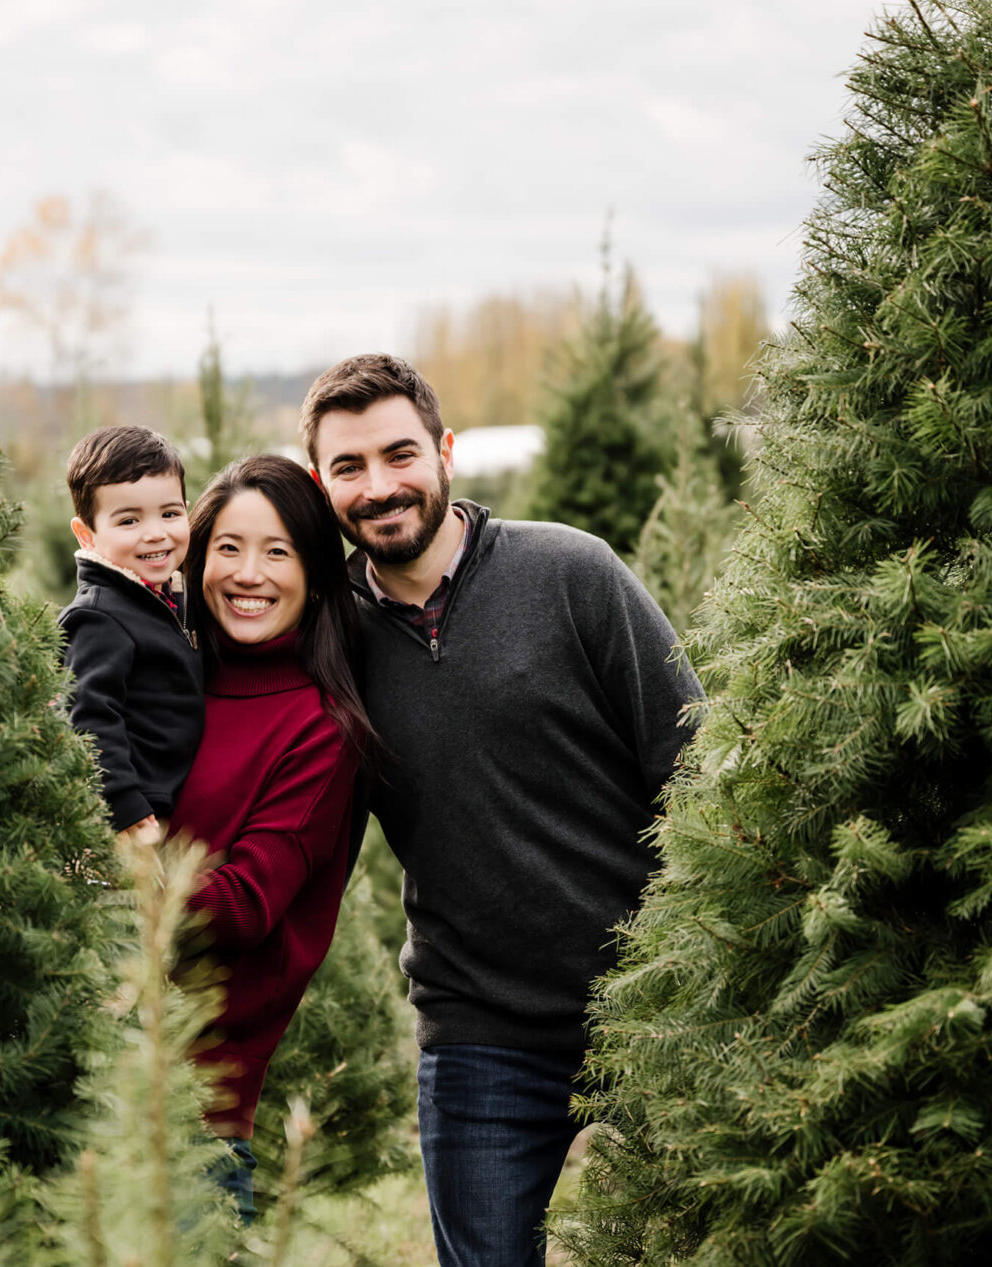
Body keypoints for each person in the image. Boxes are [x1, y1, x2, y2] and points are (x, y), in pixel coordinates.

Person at [300, 353, 703, 1266]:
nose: (380, 485)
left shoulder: (571, 572)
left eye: (399, 453)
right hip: (480, 1031)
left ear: (445, 452)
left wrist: (702, 966)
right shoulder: (328, 644)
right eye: (348, 467)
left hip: (654, 1003)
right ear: (322, 485)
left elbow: (696, 767)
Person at [167, 454, 381, 1222]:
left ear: (317, 575)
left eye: (277, 551)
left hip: (194, 1114)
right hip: (82, 1079)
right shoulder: (164, 677)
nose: (247, 573)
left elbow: (241, 906)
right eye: (227, 546)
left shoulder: (322, 727)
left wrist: (105, 870)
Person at [57, 425, 203, 847]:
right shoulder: (99, 616)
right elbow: (86, 713)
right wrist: (121, 804)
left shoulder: (166, 598)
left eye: (170, 514)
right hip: (134, 820)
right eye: (129, 520)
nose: (155, 532)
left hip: (171, 802)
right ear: (87, 534)